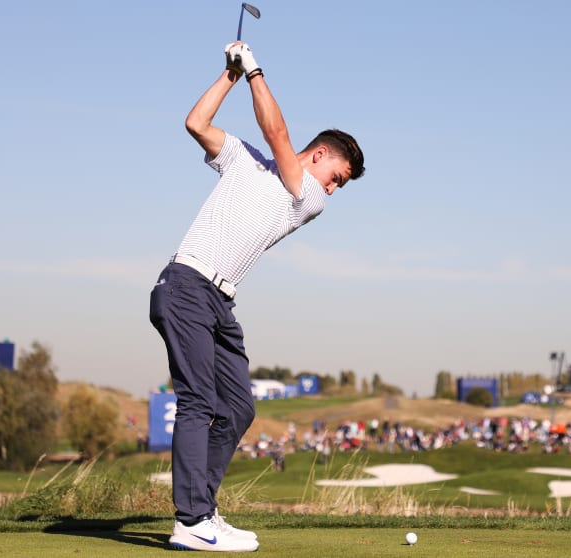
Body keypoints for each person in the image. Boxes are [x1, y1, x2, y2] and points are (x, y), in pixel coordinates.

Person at [149, 41, 365, 553]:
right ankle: (191, 520)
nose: (332, 191)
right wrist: (234, 74)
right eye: (336, 178)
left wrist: (252, 70)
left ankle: (204, 507)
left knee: (239, 408)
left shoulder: (305, 199)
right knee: (200, 400)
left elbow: (277, 134)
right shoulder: (246, 159)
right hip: (186, 286)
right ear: (320, 157)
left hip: (219, 303)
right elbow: (196, 123)